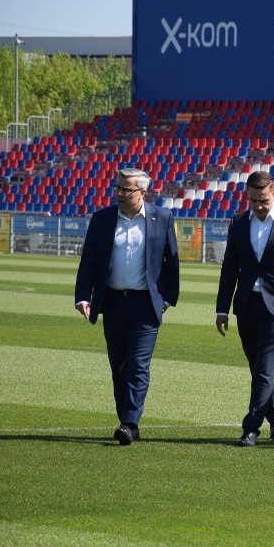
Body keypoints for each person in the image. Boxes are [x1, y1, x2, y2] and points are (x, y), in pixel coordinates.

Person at [75, 168, 180, 445]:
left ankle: (130, 421)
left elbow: (172, 262)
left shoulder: (163, 218)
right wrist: (83, 296)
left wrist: (168, 299)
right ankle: (127, 420)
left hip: (146, 304)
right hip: (112, 302)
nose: (120, 194)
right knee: (119, 366)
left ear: (143, 193)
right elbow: (89, 262)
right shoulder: (102, 219)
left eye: (126, 190)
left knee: (138, 364)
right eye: (118, 188)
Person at [215, 171, 274, 447]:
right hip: (246, 304)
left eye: (264, 200)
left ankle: (251, 427)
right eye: (253, 200)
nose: (258, 205)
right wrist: (221, 309)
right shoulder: (237, 222)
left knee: (264, 369)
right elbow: (229, 269)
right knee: (257, 368)